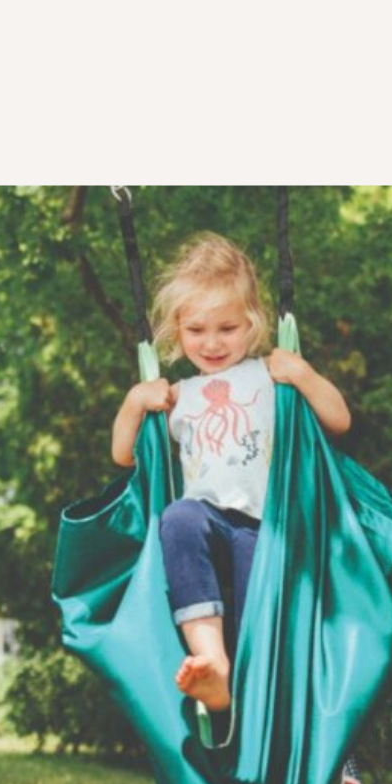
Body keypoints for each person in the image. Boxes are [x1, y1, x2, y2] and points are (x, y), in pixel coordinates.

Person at [110, 232, 351, 720]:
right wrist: (135, 402)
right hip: (205, 523)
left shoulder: (271, 373)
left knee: (255, 607)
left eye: (228, 327)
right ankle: (211, 661)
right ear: (177, 330)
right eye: (197, 330)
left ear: (253, 323)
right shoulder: (177, 394)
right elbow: (122, 455)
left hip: (266, 526)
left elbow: (338, 420)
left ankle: (244, 693)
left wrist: (302, 374)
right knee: (177, 518)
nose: (213, 342)